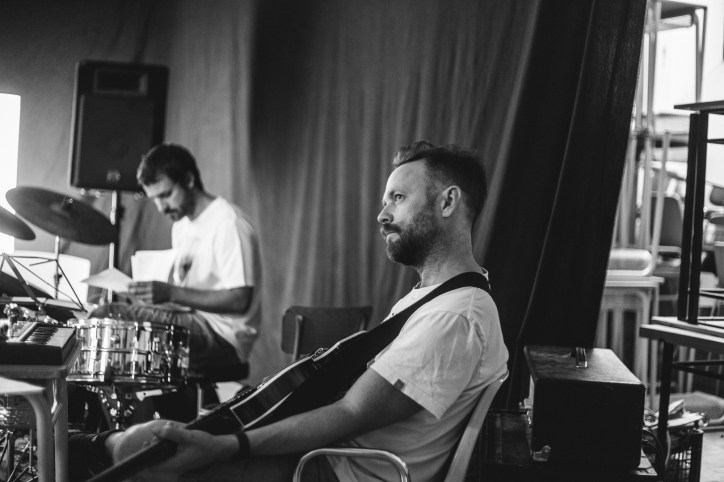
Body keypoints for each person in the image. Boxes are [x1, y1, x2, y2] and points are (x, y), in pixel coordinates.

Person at [69, 140, 508, 482]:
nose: (381, 215)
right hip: (336, 458)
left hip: (336, 469)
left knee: (162, 464)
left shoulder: (454, 315)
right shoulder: (434, 299)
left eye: (397, 198)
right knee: (148, 446)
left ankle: (80, 448)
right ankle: (88, 446)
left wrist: (229, 446)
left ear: (447, 202)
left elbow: (351, 413)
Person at [90, 143, 263, 373]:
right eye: (154, 199)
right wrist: (153, 296)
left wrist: (170, 293)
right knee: (105, 312)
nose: (161, 207)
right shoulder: (181, 224)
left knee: (109, 315)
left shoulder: (228, 223)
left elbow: (240, 300)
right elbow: (187, 293)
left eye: (166, 195)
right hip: (192, 319)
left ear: (189, 180)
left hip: (223, 336)